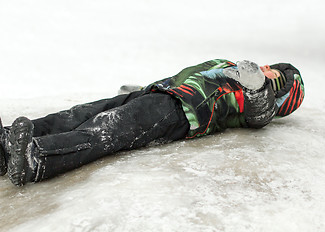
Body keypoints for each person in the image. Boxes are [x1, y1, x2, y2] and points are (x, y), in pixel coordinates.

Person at [0, 59, 305, 186]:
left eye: (273, 73)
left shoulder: (255, 93)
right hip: (158, 93)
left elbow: (259, 115)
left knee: (107, 129)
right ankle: (8, 143)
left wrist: (258, 87)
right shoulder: (232, 67)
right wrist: (139, 89)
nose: (265, 67)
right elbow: (190, 77)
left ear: (281, 92)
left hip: (182, 111)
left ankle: (36, 159)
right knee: (79, 114)